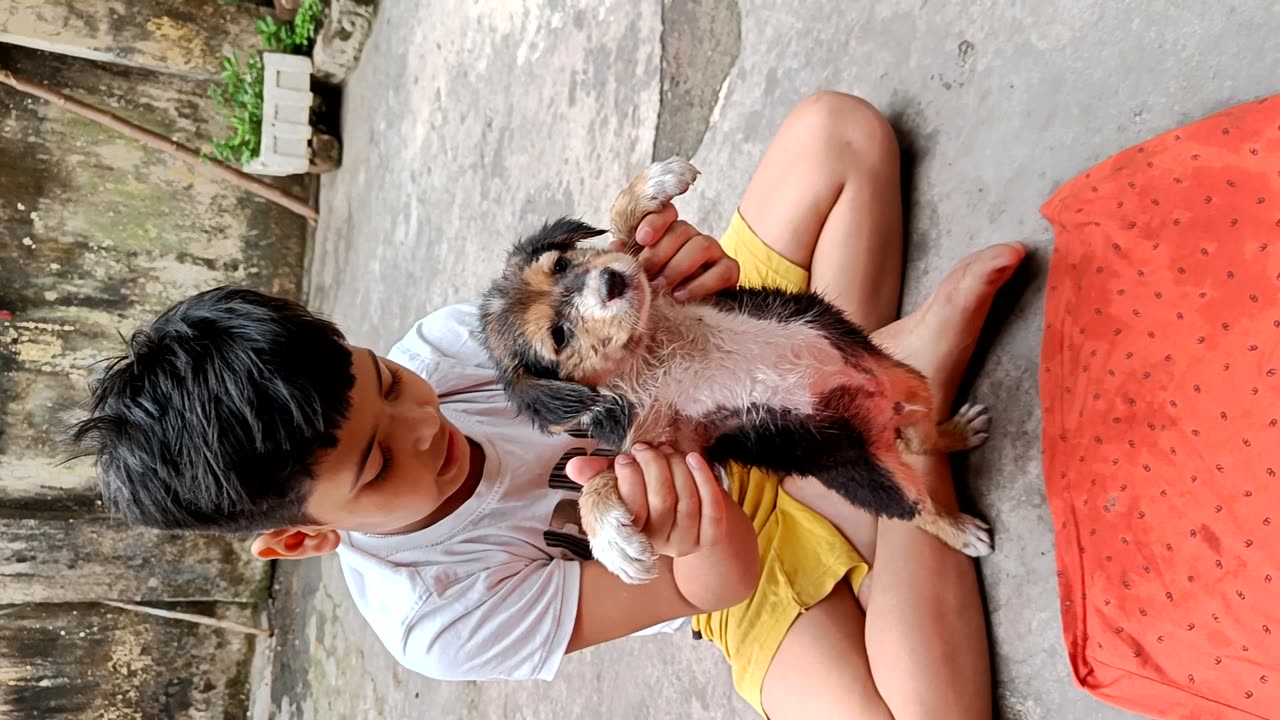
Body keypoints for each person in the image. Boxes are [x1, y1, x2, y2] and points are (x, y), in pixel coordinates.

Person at [70, 91, 1025, 719]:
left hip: (728, 371)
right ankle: (896, 433)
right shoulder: (436, 617)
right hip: (722, 548)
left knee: (836, 134)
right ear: (302, 539)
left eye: (389, 385)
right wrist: (690, 528)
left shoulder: (449, 348)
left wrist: (678, 273)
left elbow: (614, 306)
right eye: (377, 464)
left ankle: (878, 405)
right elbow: (709, 587)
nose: (424, 424)